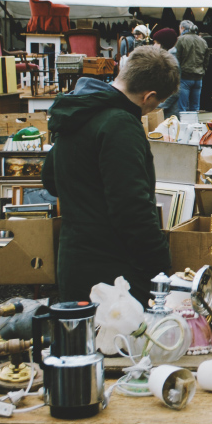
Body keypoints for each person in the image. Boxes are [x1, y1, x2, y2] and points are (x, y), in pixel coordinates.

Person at [42, 45, 179, 306]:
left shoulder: (80, 110)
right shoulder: (120, 124)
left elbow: (50, 178)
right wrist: (161, 262)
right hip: (113, 273)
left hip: (74, 260)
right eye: (156, 104)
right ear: (148, 97)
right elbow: (132, 208)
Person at [175, 20, 210, 113]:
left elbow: (177, 58)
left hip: (185, 76)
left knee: (182, 108)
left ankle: (183, 126)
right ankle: (194, 126)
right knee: (195, 107)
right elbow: (206, 59)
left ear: (182, 28)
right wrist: (203, 69)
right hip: (198, 77)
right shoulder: (202, 41)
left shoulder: (181, 40)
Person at [152, 28, 180, 119]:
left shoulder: (170, 62)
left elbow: (175, 91)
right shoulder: (164, 59)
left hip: (168, 115)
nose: (154, 46)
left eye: (156, 43)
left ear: (162, 44)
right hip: (165, 112)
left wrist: (160, 106)